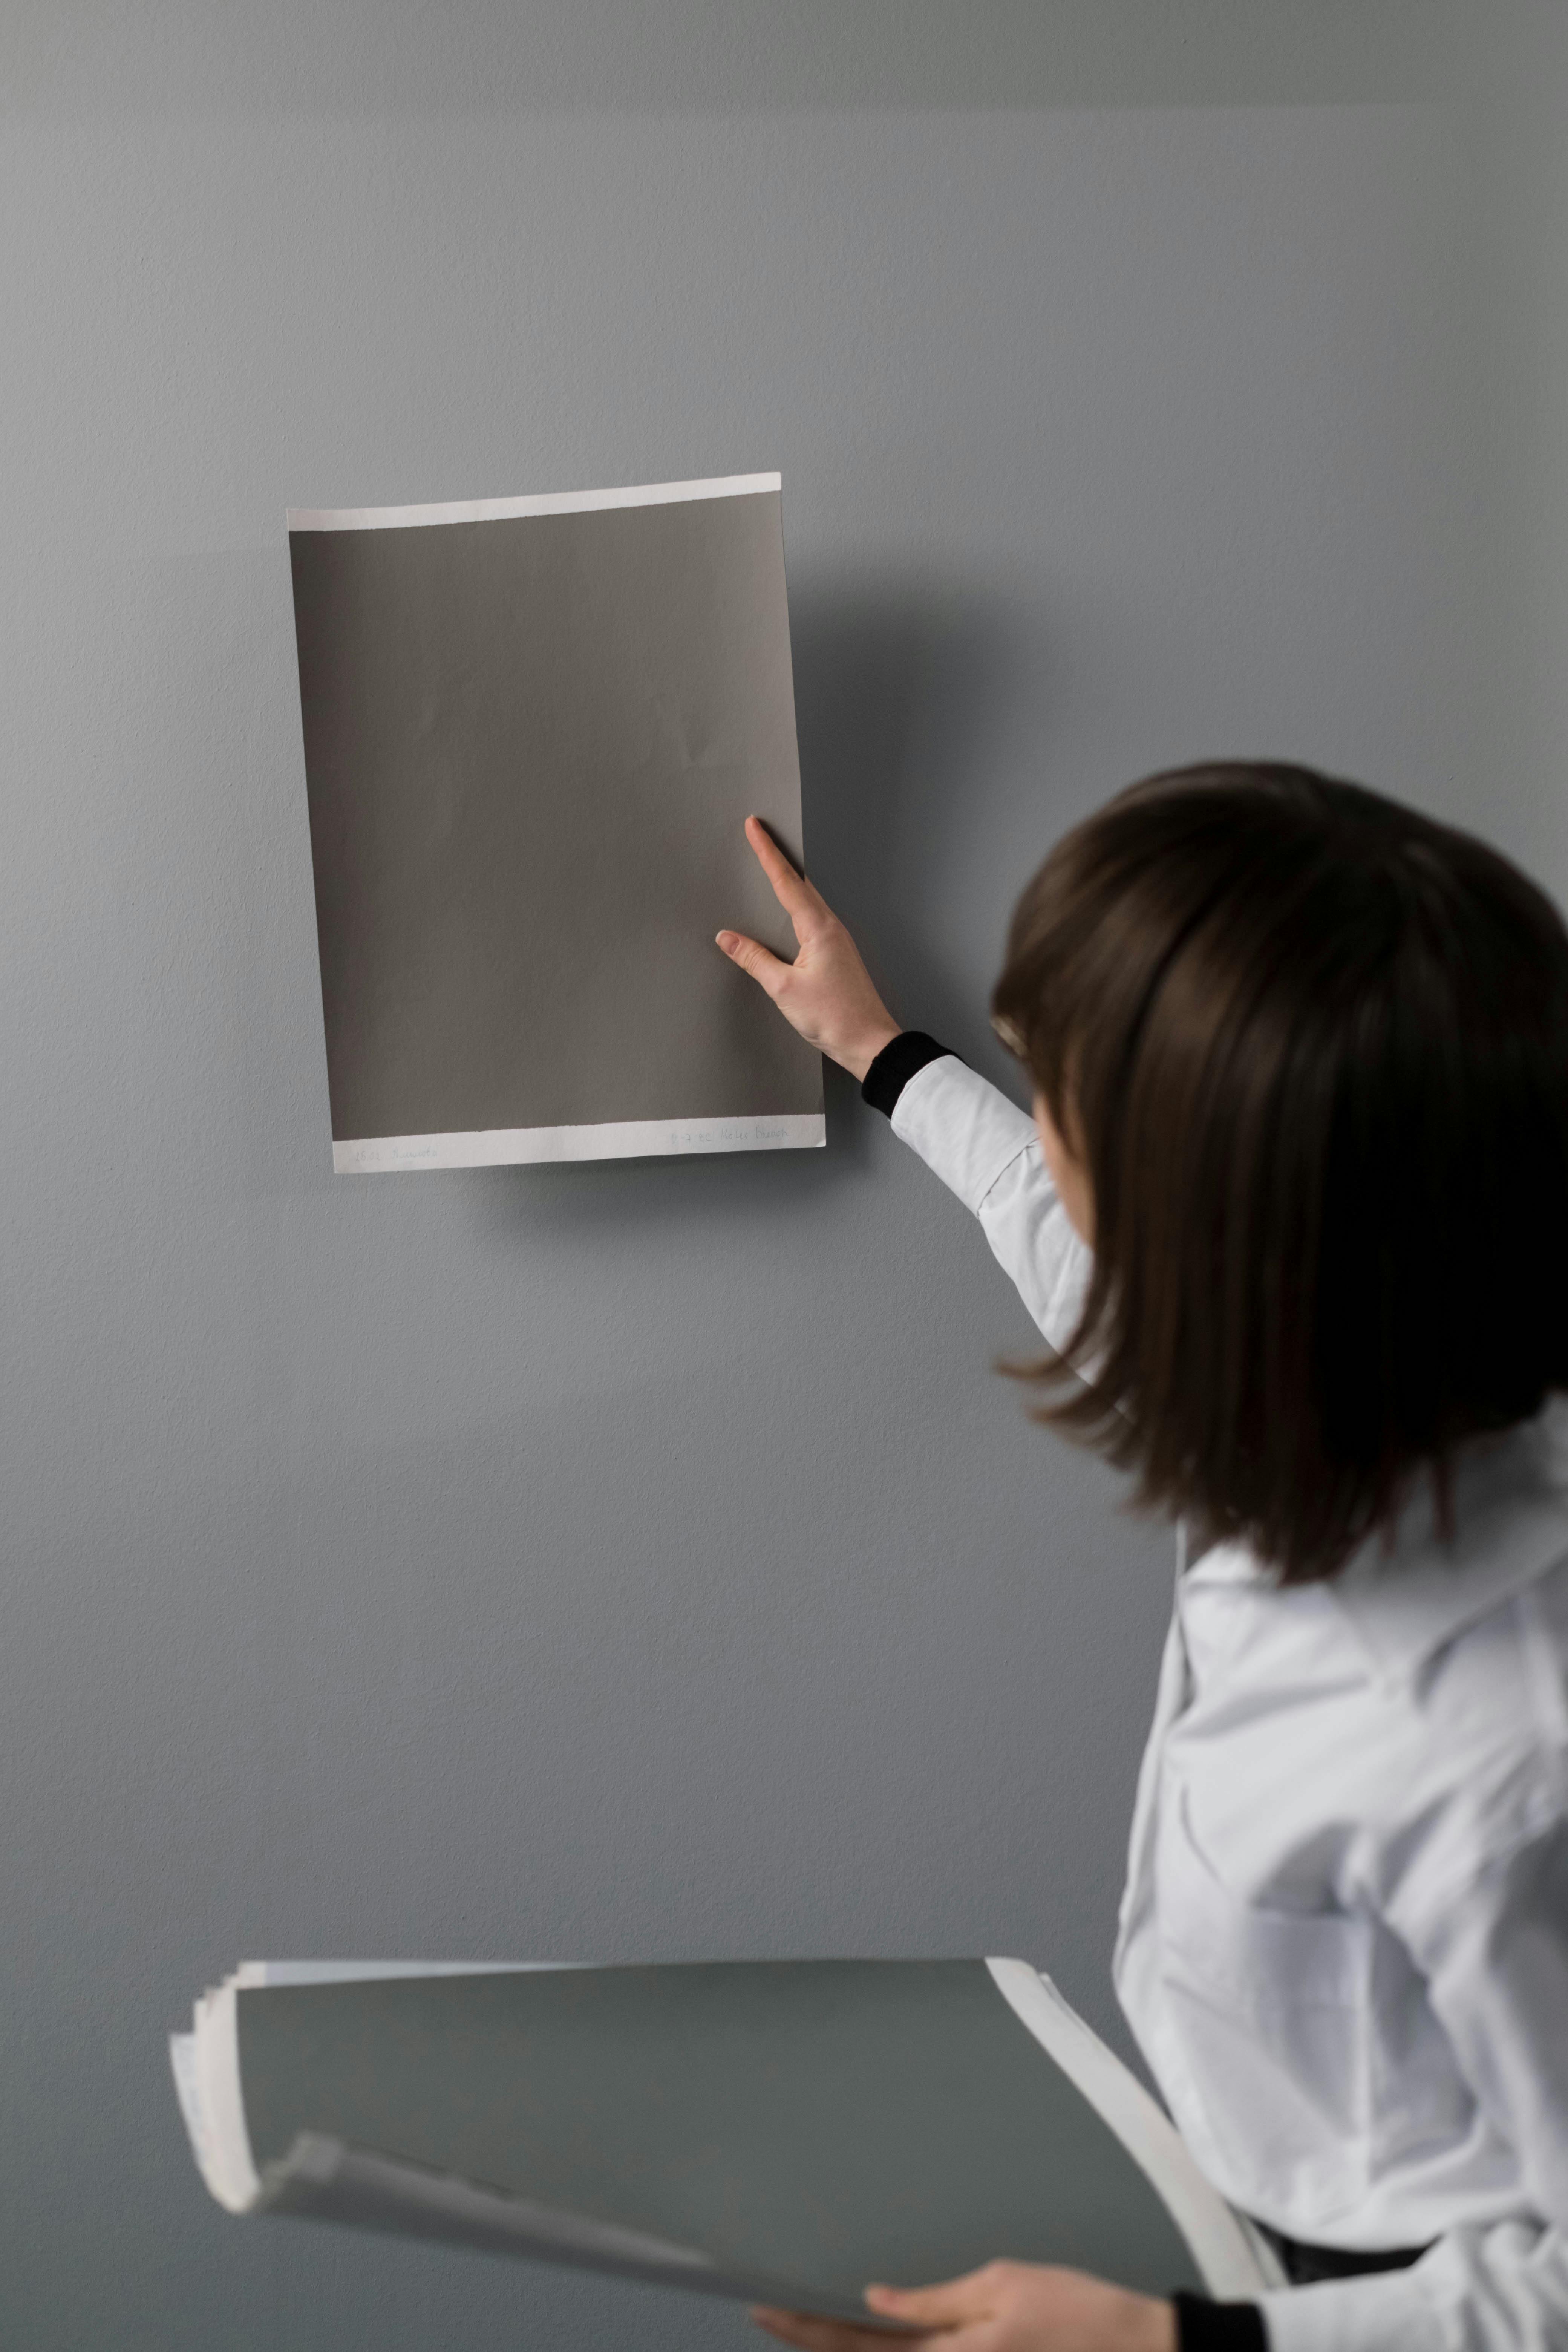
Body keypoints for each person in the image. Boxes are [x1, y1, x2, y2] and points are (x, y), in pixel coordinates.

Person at [713, 765, 1568, 2352]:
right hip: (1233, 2194)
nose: (1048, 1158)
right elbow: (1065, 1250)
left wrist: (1171, 2347)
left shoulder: (1507, 1753)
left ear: (1224, 1265)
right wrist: (885, 1058)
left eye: (1066, 1123)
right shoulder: (1322, 1386)